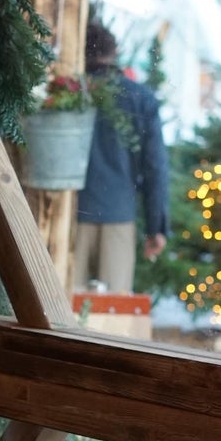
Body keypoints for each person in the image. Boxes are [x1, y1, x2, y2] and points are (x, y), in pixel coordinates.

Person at [73, 17, 168, 293]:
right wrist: (156, 226)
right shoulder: (141, 98)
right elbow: (155, 167)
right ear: (113, 54)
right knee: (111, 316)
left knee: (61, 307)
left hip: (70, 214)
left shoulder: (68, 90)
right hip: (118, 215)